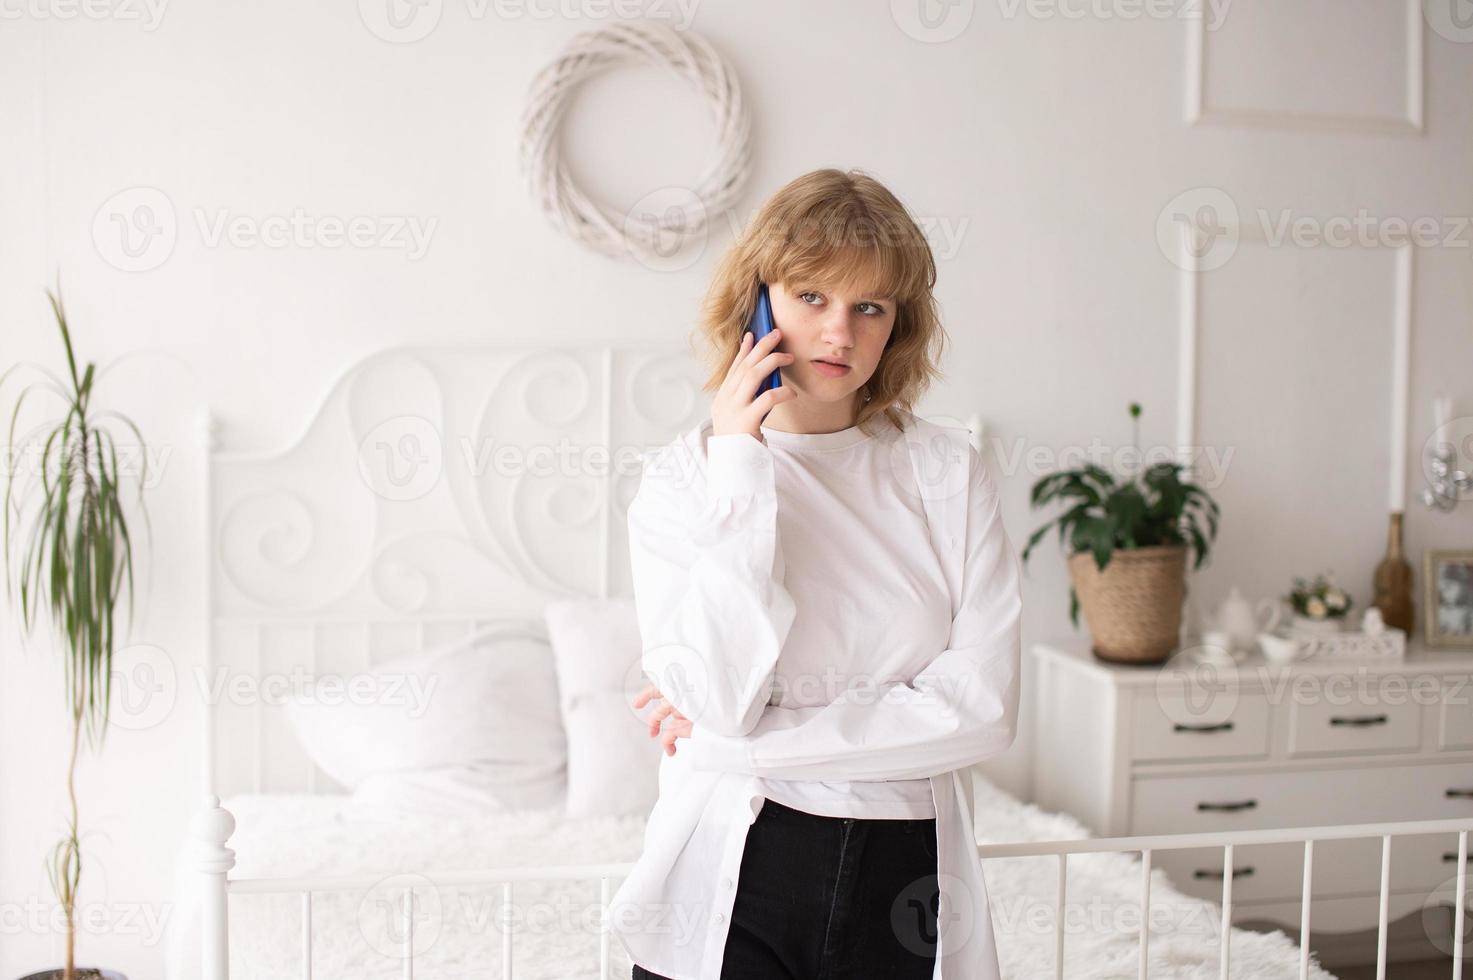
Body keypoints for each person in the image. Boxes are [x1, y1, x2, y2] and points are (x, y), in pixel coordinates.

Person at [609, 168, 1023, 980]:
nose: (839, 331)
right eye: (810, 297)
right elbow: (719, 696)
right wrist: (738, 465)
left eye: (868, 307)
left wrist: (745, 746)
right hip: (731, 868)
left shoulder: (946, 470)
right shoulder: (683, 479)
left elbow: (982, 711)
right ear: (757, 301)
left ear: (896, 324)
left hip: (902, 873)